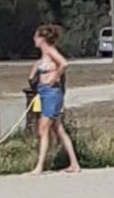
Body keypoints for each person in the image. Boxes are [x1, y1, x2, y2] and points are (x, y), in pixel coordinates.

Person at [29, 24, 80, 175]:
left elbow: (64, 63)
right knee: (58, 129)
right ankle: (74, 163)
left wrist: (55, 77)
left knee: (43, 128)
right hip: (44, 92)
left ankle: (39, 166)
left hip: (52, 92)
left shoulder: (51, 51)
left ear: (42, 39)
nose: (34, 39)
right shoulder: (43, 56)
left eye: (36, 36)